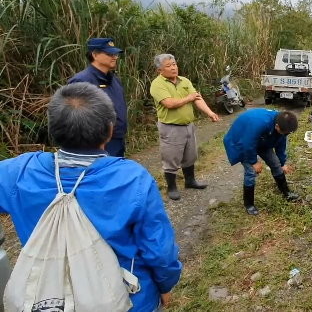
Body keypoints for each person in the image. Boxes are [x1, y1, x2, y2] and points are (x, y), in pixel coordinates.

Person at [0, 83, 182, 312]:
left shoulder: (19, 171)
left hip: (48, 297)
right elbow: (158, 247)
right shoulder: (131, 178)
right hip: (129, 299)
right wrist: (165, 284)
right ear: (109, 129)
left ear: (53, 129)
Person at [149, 54, 220, 200]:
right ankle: (172, 187)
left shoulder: (185, 81)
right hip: (170, 127)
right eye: (168, 66)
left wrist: (210, 113)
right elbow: (169, 104)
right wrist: (189, 98)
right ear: (159, 70)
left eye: (174, 64)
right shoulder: (157, 84)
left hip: (188, 125)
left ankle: (190, 181)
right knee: (171, 158)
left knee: (190, 155)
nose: (173, 67)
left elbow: (197, 99)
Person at [223, 109, 299, 215]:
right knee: (251, 172)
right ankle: (249, 204)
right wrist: (254, 162)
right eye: (284, 133)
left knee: (276, 164)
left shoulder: (282, 127)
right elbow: (247, 143)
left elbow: (281, 145)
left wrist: (282, 164)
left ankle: (286, 193)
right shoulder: (260, 122)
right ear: (277, 126)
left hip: (261, 140)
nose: (285, 135)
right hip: (241, 142)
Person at [68, 38, 127, 157]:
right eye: (109, 54)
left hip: (117, 140)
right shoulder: (82, 81)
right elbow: (75, 117)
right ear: (95, 54)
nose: (115, 57)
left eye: (115, 54)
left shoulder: (114, 80)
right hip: (95, 144)